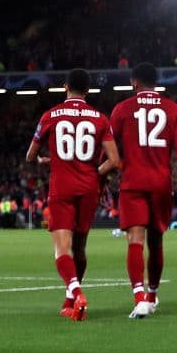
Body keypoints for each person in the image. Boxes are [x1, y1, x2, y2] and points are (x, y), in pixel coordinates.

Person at [26, 68, 120, 321]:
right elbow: (114, 161)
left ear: (65, 87)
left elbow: (30, 156)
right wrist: (93, 173)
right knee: (80, 248)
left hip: (62, 187)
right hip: (88, 188)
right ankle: (69, 302)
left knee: (62, 250)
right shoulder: (100, 118)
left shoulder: (50, 115)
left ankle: (77, 294)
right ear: (88, 90)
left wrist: (47, 160)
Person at [110, 62, 177, 319]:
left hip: (133, 182)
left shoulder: (122, 109)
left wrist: (101, 179)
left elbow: (109, 149)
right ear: (156, 83)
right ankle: (153, 295)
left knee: (135, 240)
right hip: (161, 183)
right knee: (156, 242)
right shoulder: (173, 109)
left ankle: (139, 299)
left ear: (134, 83)